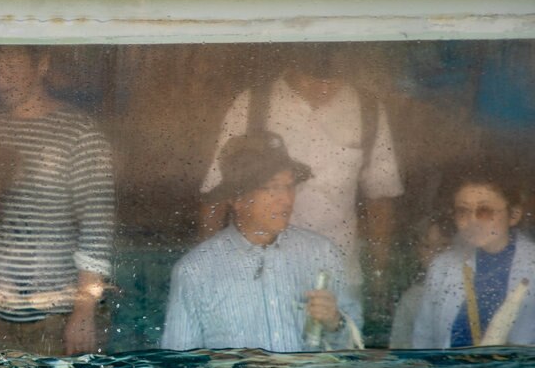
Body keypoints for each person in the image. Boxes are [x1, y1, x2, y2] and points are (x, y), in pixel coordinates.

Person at [198, 46, 404, 298]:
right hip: (260, 270)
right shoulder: (253, 105)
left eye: (334, 81)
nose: (324, 89)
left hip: (336, 269)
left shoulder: (367, 108)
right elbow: (217, 191)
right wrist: (208, 263)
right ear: (292, 67)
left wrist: (379, 272)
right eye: (313, 81)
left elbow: (380, 195)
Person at [0, 46, 115, 356]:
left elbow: (98, 229)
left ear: (42, 65)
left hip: (62, 315)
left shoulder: (79, 132)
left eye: (12, 66)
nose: (2, 78)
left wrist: (83, 314)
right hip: (5, 310)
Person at [161, 132, 362, 352]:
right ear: (237, 198)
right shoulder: (195, 271)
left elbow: (356, 348)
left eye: (289, 186)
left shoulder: (322, 254)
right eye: (272, 188)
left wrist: (335, 323)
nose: (286, 199)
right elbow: (179, 365)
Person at [412, 164, 535, 348]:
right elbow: (422, 339)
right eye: (463, 211)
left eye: (484, 211)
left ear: (514, 215)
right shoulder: (442, 267)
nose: (472, 221)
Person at [388, 215, 453, 348]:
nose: (435, 253)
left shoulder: (474, 288)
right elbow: (399, 350)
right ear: (417, 250)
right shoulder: (411, 299)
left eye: (444, 245)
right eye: (427, 246)